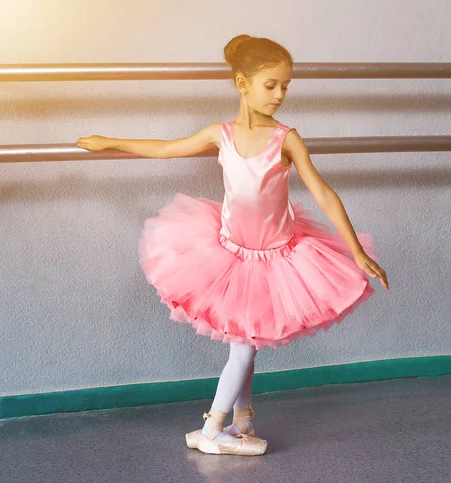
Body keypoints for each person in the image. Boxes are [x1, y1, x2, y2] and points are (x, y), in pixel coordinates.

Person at [77, 34, 389, 457]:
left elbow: (324, 194)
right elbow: (167, 150)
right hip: (229, 255)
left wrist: (355, 249)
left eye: (286, 85)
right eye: (271, 84)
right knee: (244, 347)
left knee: (247, 343)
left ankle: (243, 421)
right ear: (243, 85)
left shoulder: (287, 139)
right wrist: (111, 142)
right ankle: (212, 430)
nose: (280, 94)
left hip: (277, 259)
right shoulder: (219, 134)